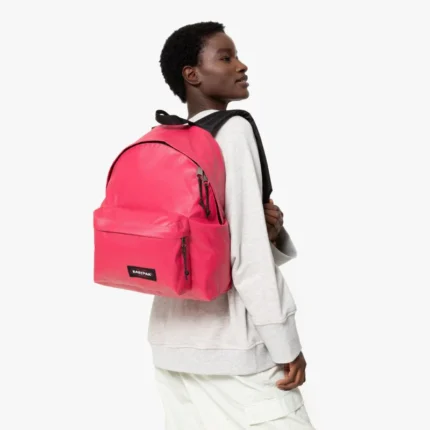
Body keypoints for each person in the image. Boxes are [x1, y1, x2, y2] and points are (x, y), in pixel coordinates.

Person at [149, 22, 315, 429]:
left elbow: (195, 244)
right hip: (232, 347)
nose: (241, 66)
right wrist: (285, 343)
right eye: (226, 58)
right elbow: (247, 254)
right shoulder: (232, 130)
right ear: (192, 74)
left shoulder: (169, 137)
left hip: (171, 344)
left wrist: (266, 232)